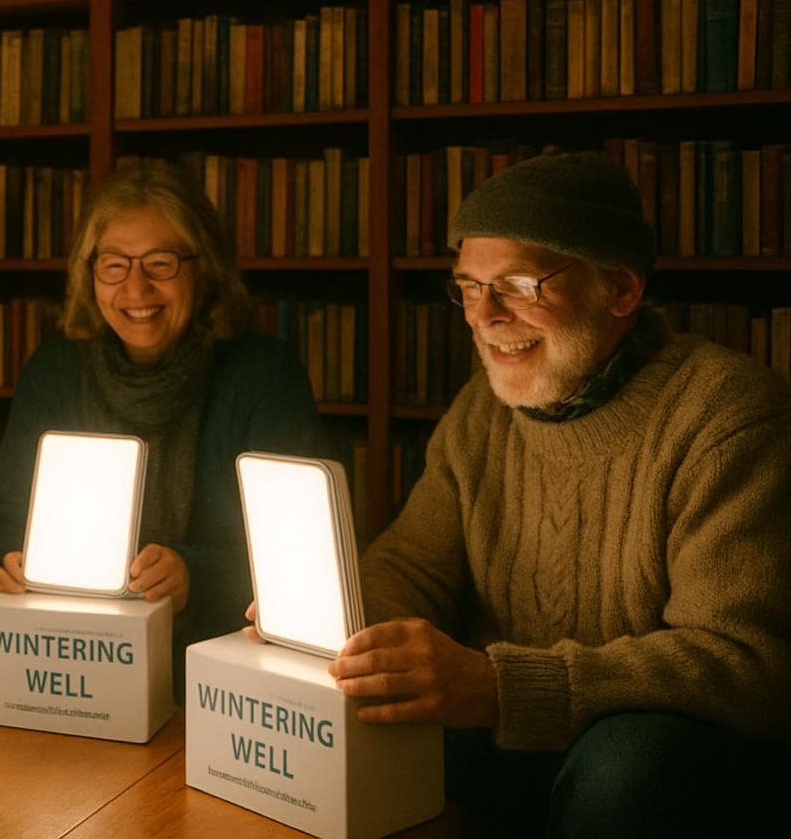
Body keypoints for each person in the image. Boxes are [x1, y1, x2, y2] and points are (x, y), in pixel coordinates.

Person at [318, 152, 790, 836]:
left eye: (516, 284)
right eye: (468, 286)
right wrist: (340, 628)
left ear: (621, 290)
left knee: (633, 765)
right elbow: (412, 565)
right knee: (349, 717)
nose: (483, 315)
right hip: (503, 737)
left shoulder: (727, 415)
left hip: (653, 764)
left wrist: (498, 688)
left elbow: (744, 664)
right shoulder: (485, 409)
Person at [0, 161, 319, 651]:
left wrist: (192, 574)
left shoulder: (265, 375)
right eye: (114, 264)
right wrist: (5, 556)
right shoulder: (53, 373)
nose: (136, 289)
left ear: (204, 268)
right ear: (89, 271)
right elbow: (0, 522)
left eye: (160, 263)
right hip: (76, 649)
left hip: (219, 660)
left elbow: (302, 556)